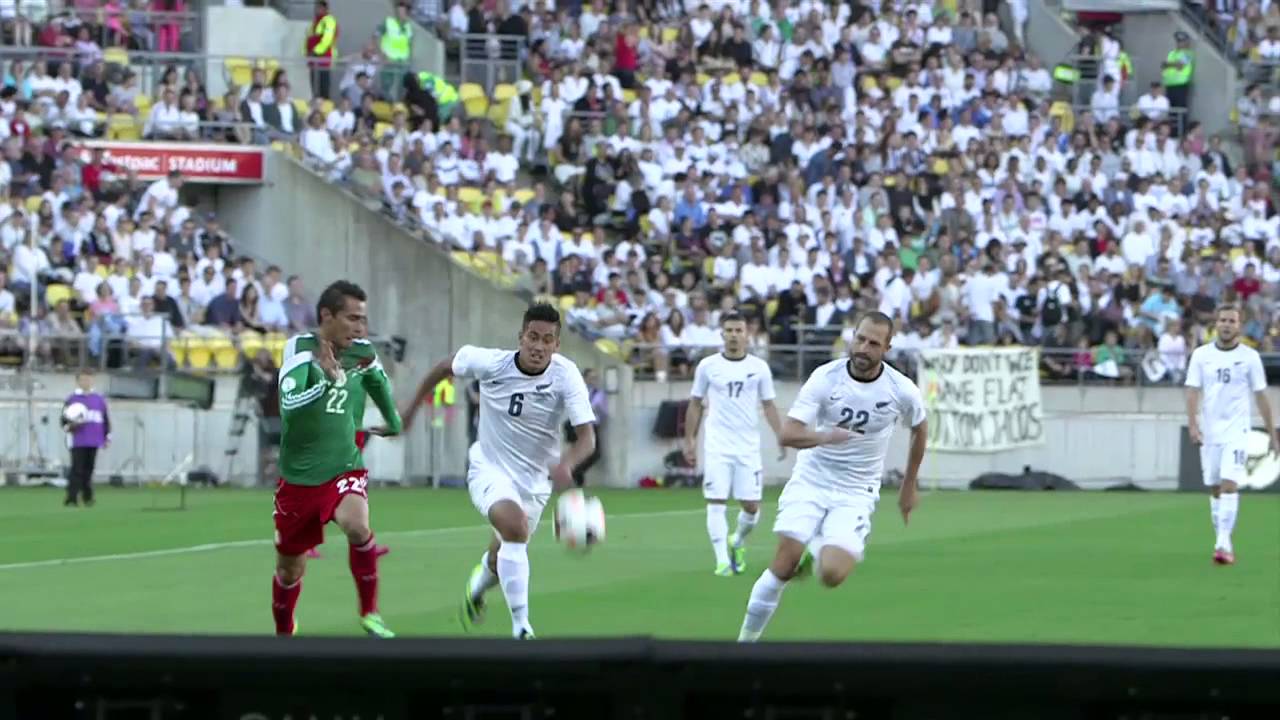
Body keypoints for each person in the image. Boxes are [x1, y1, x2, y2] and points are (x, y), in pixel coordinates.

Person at [402, 303, 596, 639]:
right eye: (532, 337)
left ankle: (477, 586)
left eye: (547, 340)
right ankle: (522, 627)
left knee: (500, 557)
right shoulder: (491, 363)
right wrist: (409, 410)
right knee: (515, 529)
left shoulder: (566, 375)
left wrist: (568, 463)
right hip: (489, 468)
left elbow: (587, 439)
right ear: (520, 337)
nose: (538, 346)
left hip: (535, 482)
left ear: (556, 345)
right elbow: (445, 366)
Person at [737, 312, 928, 642]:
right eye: (860, 338)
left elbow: (920, 429)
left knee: (831, 575)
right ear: (852, 336)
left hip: (857, 489)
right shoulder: (825, 378)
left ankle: (815, 546)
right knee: (783, 566)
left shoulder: (901, 390)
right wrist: (826, 437)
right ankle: (743, 647)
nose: (863, 348)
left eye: (873, 343)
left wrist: (909, 486)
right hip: (812, 480)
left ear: (887, 347)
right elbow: (788, 435)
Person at [270, 281, 401, 638]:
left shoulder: (361, 351)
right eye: (352, 318)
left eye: (364, 318)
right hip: (299, 479)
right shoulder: (300, 349)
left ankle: (370, 613)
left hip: (343, 465)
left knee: (358, 526)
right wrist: (326, 380)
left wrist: (393, 419)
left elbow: (377, 380)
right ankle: (285, 631)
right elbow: (290, 407)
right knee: (289, 571)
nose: (360, 327)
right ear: (327, 316)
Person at [683, 312, 785, 576]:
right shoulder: (708, 366)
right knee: (715, 500)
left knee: (751, 507)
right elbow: (695, 403)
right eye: (729, 330)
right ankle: (721, 562)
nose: (734, 335)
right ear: (722, 334)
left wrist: (781, 435)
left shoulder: (759, 368)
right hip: (717, 444)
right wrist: (690, 440)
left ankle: (737, 540)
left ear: (747, 334)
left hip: (747, 446)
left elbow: (769, 404)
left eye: (739, 330)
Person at [1184, 304, 1276, 565]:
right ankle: (1222, 539)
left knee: (1229, 484)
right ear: (1216, 323)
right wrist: (1193, 425)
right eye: (1222, 320)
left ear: (1239, 326)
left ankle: (1223, 544)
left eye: (1231, 321)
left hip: (1237, 431)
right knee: (1214, 488)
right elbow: (1192, 391)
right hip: (1210, 432)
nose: (1226, 324)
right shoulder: (1201, 355)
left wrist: (1272, 432)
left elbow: (1261, 396)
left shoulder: (1250, 357)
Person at [61, 370, 110, 508]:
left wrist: (107, 437)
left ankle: (87, 497)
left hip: (94, 440)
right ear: (78, 382)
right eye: (83, 379)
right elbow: (63, 422)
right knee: (77, 469)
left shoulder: (99, 399)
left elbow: (105, 420)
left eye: (88, 379)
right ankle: (71, 497)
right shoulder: (72, 399)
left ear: (92, 381)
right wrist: (71, 426)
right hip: (78, 440)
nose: (86, 382)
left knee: (89, 470)